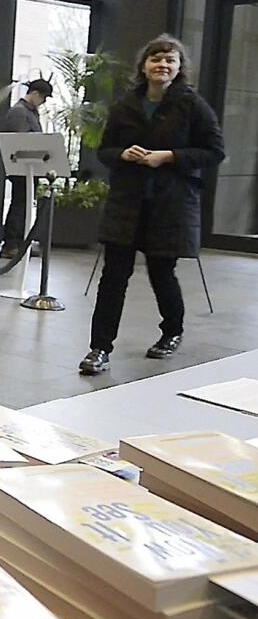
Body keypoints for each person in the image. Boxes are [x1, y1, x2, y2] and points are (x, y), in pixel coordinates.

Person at [79, 35, 225, 376]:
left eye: (170, 61)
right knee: (113, 277)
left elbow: (215, 151)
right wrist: (122, 154)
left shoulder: (193, 105)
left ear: (178, 68)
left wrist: (170, 156)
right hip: (126, 205)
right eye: (156, 59)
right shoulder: (124, 105)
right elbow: (104, 151)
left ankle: (172, 331)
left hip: (170, 206)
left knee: (162, 274)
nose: (162, 65)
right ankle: (99, 348)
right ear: (143, 66)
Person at [0, 77, 52, 258]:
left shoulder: (30, 112)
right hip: (22, 167)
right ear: (35, 94)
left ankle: (20, 242)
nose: (43, 102)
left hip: (30, 167)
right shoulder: (19, 112)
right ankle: (11, 244)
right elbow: (20, 141)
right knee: (19, 205)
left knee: (24, 205)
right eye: (43, 97)